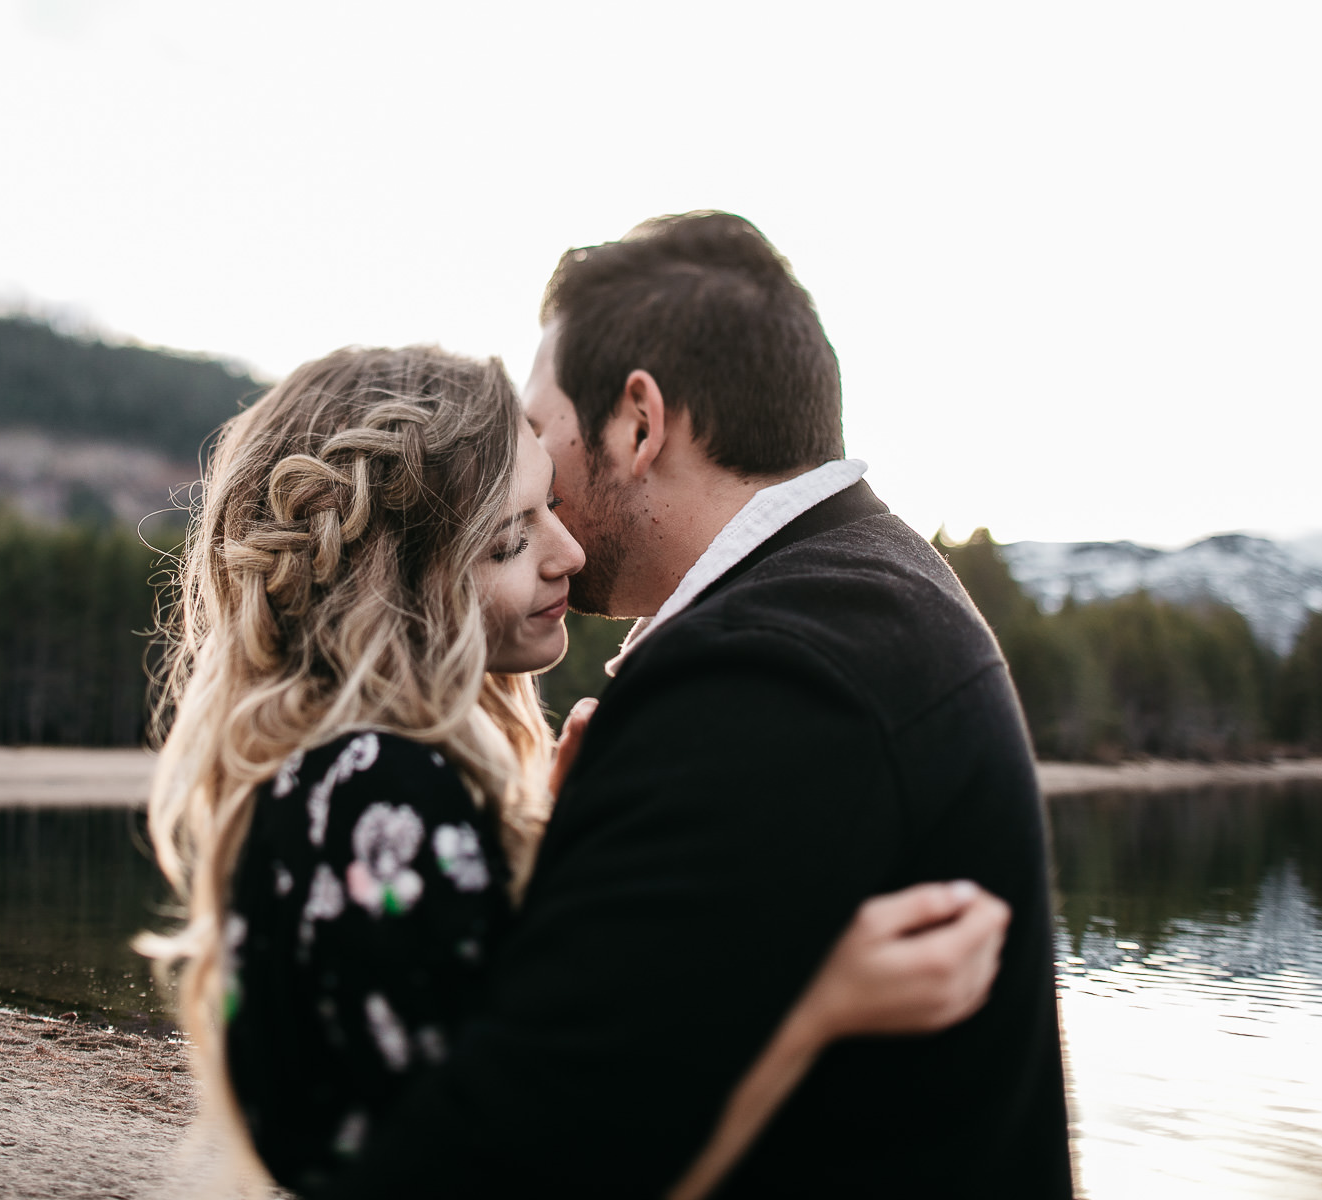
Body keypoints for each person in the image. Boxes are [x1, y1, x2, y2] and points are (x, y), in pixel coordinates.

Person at [297, 214, 1075, 1199]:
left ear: (637, 422)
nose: (528, 472)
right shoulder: (861, 595)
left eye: (539, 430)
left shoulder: (767, 675)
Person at [141, 344, 1012, 1197]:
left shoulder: (331, 782)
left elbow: (477, 1063)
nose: (570, 553)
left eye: (552, 505)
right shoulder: (383, 794)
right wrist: (811, 1008)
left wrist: (558, 860)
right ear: (399, 586)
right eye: (510, 540)